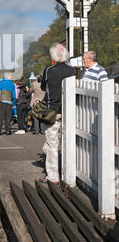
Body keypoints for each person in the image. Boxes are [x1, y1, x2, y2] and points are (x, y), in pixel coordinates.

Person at [39, 43, 76, 184]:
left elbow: (43, 87)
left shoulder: (49, 70)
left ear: (54, 56)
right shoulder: (72, 71)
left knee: (51, 144)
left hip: (52, 111)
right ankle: (70, 175)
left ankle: (53, 176)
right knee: (69, 143)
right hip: (69, 110)